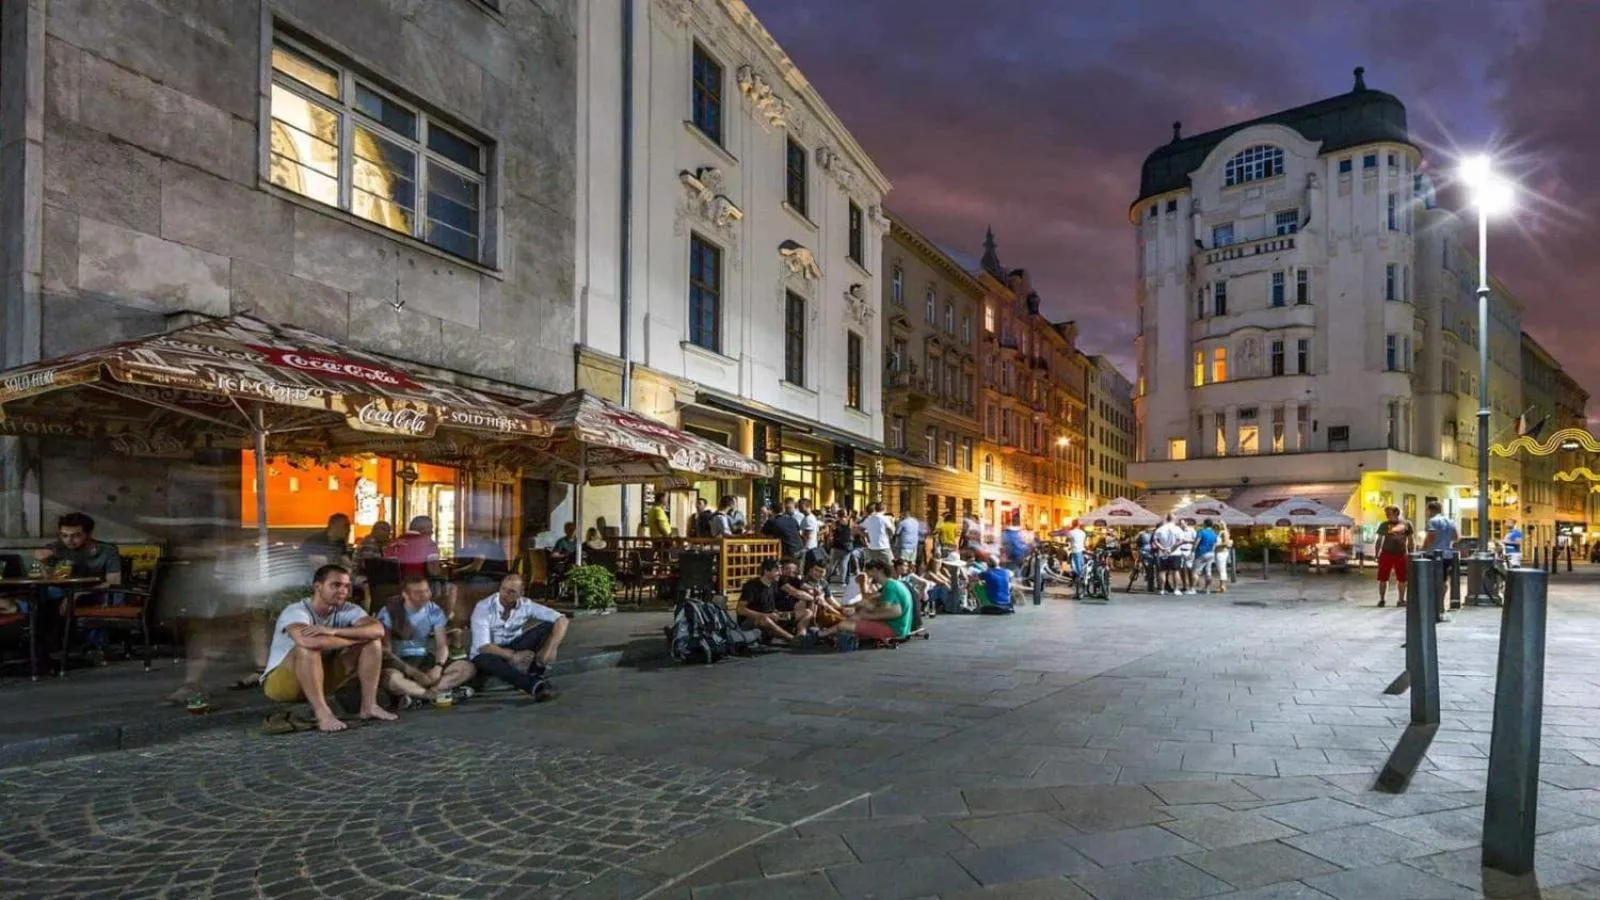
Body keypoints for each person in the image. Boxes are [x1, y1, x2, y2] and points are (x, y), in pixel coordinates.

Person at [261, 564, 396, 732]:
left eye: (347, 586)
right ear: (318, 587)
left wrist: (334, 631)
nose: (343, 590)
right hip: (283, 685)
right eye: (336, 585)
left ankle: (369, 706)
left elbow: (378, 630)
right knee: (306, 649)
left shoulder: (348, 609)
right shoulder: (296, 611)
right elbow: (308, 642)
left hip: (321, 678)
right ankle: (323, 713)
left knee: (372, 643)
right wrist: (353, 640)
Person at [378, 575, 477, 707]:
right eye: (418, 593)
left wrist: (438, 666)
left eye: (426, 591)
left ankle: (420, 695)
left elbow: (442, 645)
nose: (425, 596)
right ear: (405, 595)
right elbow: (386, 651)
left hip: (425, 659)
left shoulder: (434, 610)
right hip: (400, 662)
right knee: (390, 679)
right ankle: (432, 695)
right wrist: (413, 672)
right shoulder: (388, 612)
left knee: (467, 668)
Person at [468, 573, 566, 699]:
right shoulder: (484, 607)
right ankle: (534, 686)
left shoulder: (525, 605)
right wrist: (513, 656)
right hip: (489, 652)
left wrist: (550, 648)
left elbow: (561, 619)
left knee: (549, 627)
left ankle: (536, 672)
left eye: (511, 592)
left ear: (521, 593)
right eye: (503, 589)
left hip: (514, 645)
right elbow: (483, 646)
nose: (505, 595)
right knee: (486, 659)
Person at [819, 558, 913, 647]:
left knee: (844, 625)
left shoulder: (890, 588)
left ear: (876, 570)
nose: (868, 576)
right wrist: (860, 610)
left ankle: (819, 634)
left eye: (869, 572)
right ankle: (826, 633)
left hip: (894, 629)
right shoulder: (893, 584)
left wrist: (862, 615)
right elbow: (877, 604)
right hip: (900, 626)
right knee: (854, 617)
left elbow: (890, 612)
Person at [735, 559, 799, 643]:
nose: (780, 573)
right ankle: (792, 639)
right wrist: (765, 615)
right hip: (752, 621)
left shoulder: (774, 584)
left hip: (771, 615)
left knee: (802, 613)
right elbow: (740, 609)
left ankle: (801, 634)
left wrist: (778, 613)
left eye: (780, 570)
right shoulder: (752, 586)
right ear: (766, 571)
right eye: (776, 570)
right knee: (765, 619)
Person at [1374, 505, 1414, 608]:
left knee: (1402, 578)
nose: (1386, 515)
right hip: (1386, 553)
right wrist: (1377, 553)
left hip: (1401, 553)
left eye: (1389, 513)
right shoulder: (1384, 525)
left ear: (1396, 513)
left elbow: (1410, 540)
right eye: (1386, 513)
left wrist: (1411, 553)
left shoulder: (1406, 524)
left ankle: (1401, 599)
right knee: (1383, 577)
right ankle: (1382, 599)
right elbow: (1379, 540)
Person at [762, 498, 804, 563]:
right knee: (799, 572)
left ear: (771, 510)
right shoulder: (792, 519)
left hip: (789, 551)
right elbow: (798, 531)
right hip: (800, 548)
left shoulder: (772, 521)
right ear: (783, 509)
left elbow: (763, 533)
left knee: (788, 571)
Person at [858, 503, 896, 568]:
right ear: (884, 509)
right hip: (883, 547)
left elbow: (858, 528)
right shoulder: (885, 518)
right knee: (891, 566)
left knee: (875, 568)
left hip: (872, 547)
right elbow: (892, 532)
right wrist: (892, 522)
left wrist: (865, 536)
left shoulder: (869, 519)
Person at [1153, 515, 1183, 595]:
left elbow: (1155, 541)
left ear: (1166, 519)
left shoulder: (1160, 529)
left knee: (1162, 571)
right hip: (1175, 553)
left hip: (1163, 553)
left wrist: (1162, 548)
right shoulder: (1177, 529)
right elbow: (1180, 541)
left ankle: (1161, 590)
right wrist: (1172, 549)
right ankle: (1176, 590)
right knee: (1176, 571)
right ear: (1174, 519)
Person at [1193, 518, 1219, 594]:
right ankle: (1207, 589)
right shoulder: (1214, 533)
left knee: (1195, 572)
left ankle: (1192, 589)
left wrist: (1193, 551)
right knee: (1208, 572)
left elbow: (1196, 542)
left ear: (1204, 524)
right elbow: (1214, 544)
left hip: (1201, 553)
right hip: (1210, 553)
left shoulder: (1201, 531)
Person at [1176, 518, 1197, 595]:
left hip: (1189, 550)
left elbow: (1196, 540)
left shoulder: (1192, 530)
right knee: (1181, 569)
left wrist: (1187, 541)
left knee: (1189, 569)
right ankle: (1185, 586)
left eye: (1182, 523)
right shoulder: (1177, 530)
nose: (1181, 525)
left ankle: (1192, 586)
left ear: (1186, 523)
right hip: (1180, 551)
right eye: (1180, 523)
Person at [1214, 524, 1233, 593]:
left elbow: (1226, 543)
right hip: (1220, 552)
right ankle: (1222, 586)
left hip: (1221, 553)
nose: (1218, 525)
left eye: (1220, 524)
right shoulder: (1221, 532)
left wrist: (1215, 546)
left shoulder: (1224, 532)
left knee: (1222, 569)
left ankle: (1222, 586)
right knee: (1221, 569)